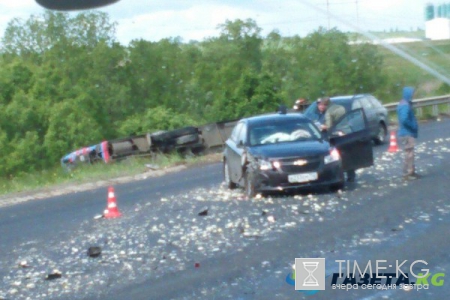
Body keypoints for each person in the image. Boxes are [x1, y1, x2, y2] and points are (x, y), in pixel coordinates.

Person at [319, 97, 356, 182]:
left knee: (337, 156)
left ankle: (338, 175)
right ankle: (351, 175)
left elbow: (329, 127)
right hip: (348, 132)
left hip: (338, 135)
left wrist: (321, 127)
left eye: (322, 105)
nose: (321, 107)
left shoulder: (329, 112)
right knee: (348, 154)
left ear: (325, 105)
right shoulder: (341, 107)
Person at [397, 86, 420, 181]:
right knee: (409, 153)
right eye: (412, 93)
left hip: (406, 133)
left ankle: (411, 172)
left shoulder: (404, 104)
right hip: (407, 133)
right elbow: (404, 119)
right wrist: (413, 126)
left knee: (409, 153)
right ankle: (407, 173)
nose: (413, 95)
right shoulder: (405, 105)